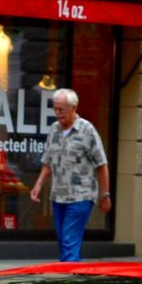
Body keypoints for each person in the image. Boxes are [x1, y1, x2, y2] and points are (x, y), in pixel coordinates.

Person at [29, 88, 111, 262]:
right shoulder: (54, 130)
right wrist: (38, 185)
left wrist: (105, 195)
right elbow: (48, 161)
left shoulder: (87, 130)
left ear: (74, 108)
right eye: (55, 109)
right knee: (63, 240)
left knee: (69, 240)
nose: (57, 114)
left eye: (62, 110)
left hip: (81, 196)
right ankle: (72, 277)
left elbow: (101, 165)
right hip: (58, 196)